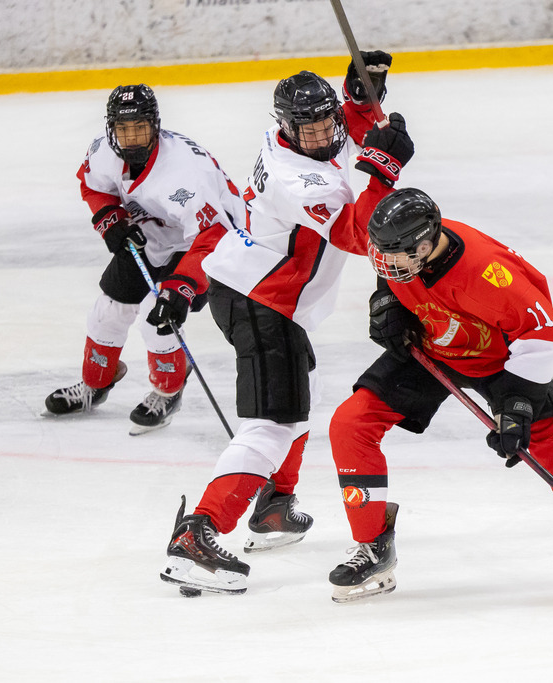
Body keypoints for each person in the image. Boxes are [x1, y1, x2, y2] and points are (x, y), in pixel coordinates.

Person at [325, 187, 553, 603]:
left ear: (423, 246)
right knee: (351, 423)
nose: (385, 263)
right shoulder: (403, 249)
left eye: (394, 257)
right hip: (433, 343)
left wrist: (518, 405)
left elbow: (540, 334)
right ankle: (373, 546)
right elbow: (390, 270)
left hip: (504, 364)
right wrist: (387, 299)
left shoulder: (488, 273)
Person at [154, 54, 417, 596]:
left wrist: (360, 104)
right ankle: (197, 535)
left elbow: (347, 139)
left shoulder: (306, 138)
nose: (320, 135)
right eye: (308, 128)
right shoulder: (295, 179)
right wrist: (384, 168)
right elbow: (360, 234)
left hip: (261, 293)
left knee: (301, 396)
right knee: (272, 423)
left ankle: (274, 506)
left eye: (326, 122)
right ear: (286, 128)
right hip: (257, 298)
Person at [43, 84, 244, 435]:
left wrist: (181, 288)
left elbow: (214, 236)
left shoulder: (186, 172)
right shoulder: (104, 151)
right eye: (124, 129)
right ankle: (96, 382)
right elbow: (94, 186)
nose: (132, 138)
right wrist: (111, 220)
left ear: (155, 126)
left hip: (205, 243)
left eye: (140, 127)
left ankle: (169, 389)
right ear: (111, 129)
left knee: (158, 317)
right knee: (108, 310)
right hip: (151, 233)